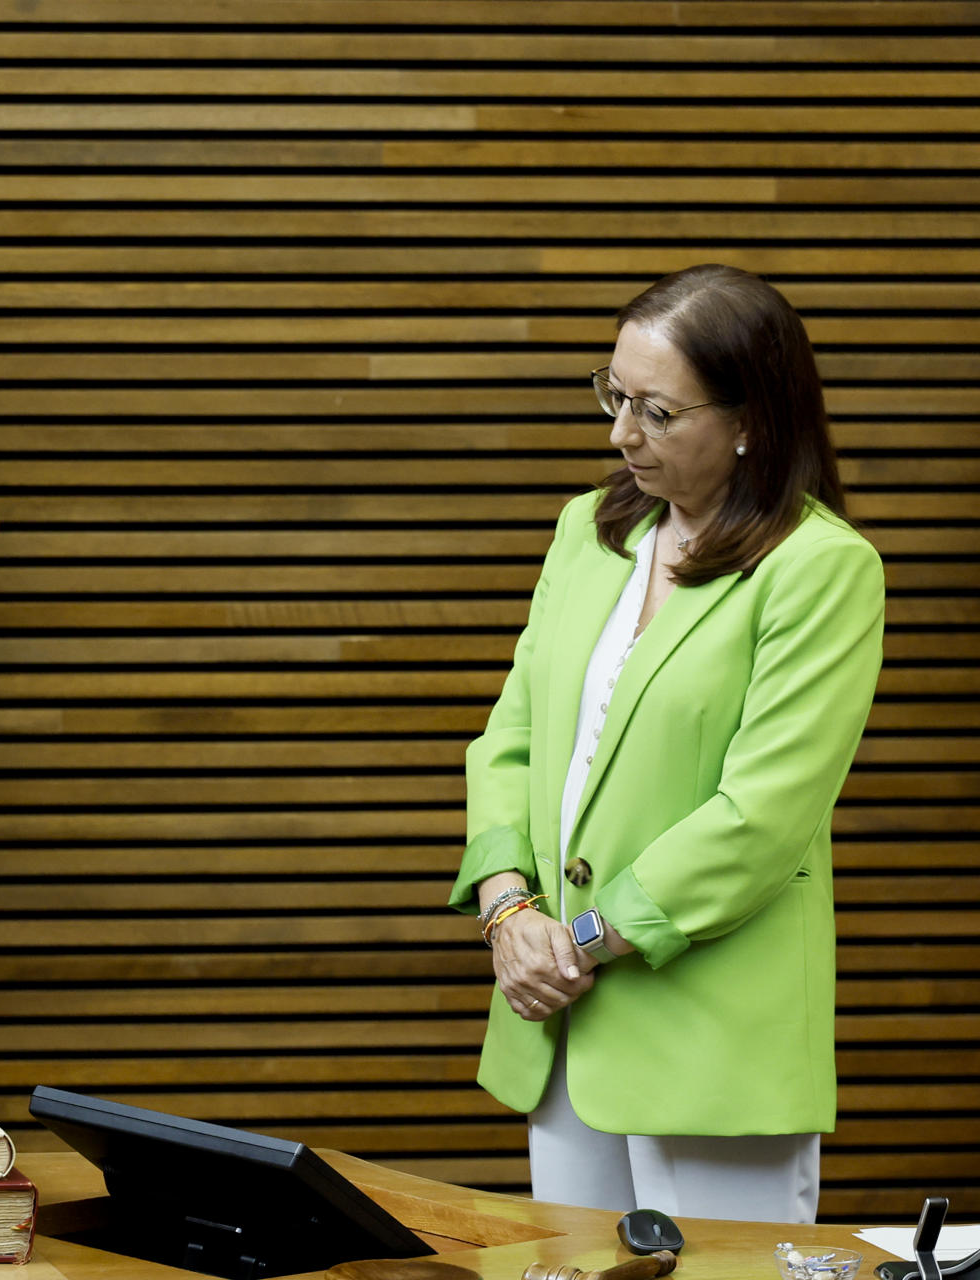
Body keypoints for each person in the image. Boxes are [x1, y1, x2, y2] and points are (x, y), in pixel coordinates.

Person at [447, 264, 885, 1223]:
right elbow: (510, 735)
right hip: (560, 1018)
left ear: (748, 422)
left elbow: (760, 817)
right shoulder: (589, 531)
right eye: (612, 394)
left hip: (711, 1032)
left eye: (655, 410)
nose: (619, 434)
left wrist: (581, 943)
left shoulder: (821, 570)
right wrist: (508, 912)